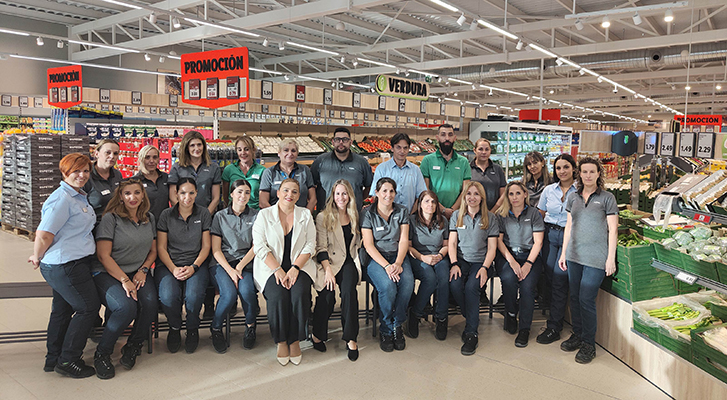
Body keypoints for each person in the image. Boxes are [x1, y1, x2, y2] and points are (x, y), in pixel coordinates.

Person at [29, 153, 100, 378]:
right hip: (65, 264)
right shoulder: (61, 198)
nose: (81, 175)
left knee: (62, 309)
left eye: (86, 171)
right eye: (76, 171)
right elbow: (44, 233)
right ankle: (69, 360)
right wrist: (36, 255)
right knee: (88, 308)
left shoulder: (78, 196)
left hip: (71, 261)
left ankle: (53, 358)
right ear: (64, 172)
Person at [92, 179, 158, 379]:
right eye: (127, 193)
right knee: (125, 307)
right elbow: (104, 256)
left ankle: (133, 346)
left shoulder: (149, 218)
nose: (133, 197)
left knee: (150, 302)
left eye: (137, 193)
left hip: (136, 271)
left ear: (142, 195)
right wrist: (124, 280)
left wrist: (143, 270)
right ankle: (102, 352)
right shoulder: (111, 218)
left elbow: (153, 251)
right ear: (120, 196)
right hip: (107, 272)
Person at [558, 157, 618, 364]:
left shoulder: (608, 198)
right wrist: (563, 253)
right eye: (584, 172)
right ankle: (577, 334)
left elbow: (613, 229)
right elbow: (568, 226)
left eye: (592, 172)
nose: (588, 175)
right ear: (579, 174)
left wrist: (610, 258)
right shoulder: (573, 197)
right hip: (575, 255)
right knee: (574, 297)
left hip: (596, 258)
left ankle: (588, 344)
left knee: (586, 298)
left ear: (599, 174)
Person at [252, 179, 316, 366]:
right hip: (271, 267)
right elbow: (259, 246)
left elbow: (311, 244)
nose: (290, 195)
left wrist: (295, 268)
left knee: (299, 293)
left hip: (300, 265)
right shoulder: (264, 215)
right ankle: (281, 340)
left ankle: (295, 339)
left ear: (299, 196)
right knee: (278, 295)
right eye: (286, 190)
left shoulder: (305, 214)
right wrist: (277, 270)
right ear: (278, 193)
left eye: (294, 192)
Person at [156, 177, 212, 354]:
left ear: (196, 194)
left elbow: (206, 246)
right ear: (176, 194)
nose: (187, 197)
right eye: (182, 193)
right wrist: (173, 269)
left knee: (194, 297)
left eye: (191, 193)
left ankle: (192, 329)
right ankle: (174, 327)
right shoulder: (166, 215)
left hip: (196, 263)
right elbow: (161, 247)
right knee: (168, 297)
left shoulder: (203, 214)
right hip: (169, 264)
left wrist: (194, 267)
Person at [361, 177, 414, 352]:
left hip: (398, 256)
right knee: (388, 286)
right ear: (376, 193)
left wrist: (398, 263)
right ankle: (385, 328)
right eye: (384, 191)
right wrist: (387, 266)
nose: (388, 194)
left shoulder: (402, 211)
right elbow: (368, 245)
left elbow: (404, 239)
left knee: (407, 283)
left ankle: (397, 325)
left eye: (391, 191)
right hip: (377, 259)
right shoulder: (368, 213)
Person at [311, 180, 361, 361]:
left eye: (345, 194)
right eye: (338, 193)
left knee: (349, 293)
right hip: (328, 262)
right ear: (333, 195)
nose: (341, 197)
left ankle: (351, 338)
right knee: (327, 296)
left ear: (350, 196)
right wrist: (328, 271)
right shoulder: (323, 216)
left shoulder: (354, 214)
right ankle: (317, 334)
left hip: (348, 261)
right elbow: (321, 247)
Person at [209, 179, 260, 353]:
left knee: (247, 292)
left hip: (245, 263)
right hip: (222, 264)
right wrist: (231, 270)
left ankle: (251, 326)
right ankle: (216, 328)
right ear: (231, 194)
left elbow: (256, 246)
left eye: (247, 192)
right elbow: (216, 250)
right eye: (239, 191)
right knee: (229, 294)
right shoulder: (220, 216)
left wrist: (239, 267)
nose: (243, 196)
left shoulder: (256, 215)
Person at [448, 181, 498, 356]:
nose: (472, 197)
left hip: (481, 262)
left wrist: (485, 267)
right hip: (461, 260)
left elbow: (492, 248)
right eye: (469, 194)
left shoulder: (490, 218)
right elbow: (452, 243)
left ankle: (471, 333)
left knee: (471, 288)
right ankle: (470, 312)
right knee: (454, 284)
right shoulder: (456, 216)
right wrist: (454, 263)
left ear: (482, 197)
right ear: (464, 196)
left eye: (476, 194)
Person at [495, 181, 545, 348]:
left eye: (518, 193)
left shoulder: (534, 214)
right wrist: (512, 261)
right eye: (511, 194)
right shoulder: (501, 215)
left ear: (525, 194)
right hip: (508, 255)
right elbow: (499, 242)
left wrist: (528, 264)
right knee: (508, 280)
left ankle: (524, 328)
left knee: (527, 287)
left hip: (530, 256)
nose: (514, 197)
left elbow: (538, 242)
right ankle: (510, 313)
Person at [535, 154, 578, 346]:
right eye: (559, 168)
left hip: (571, 237)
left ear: (574, 169)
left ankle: (554, 326)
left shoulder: (580, 191)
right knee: (551, 277)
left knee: (560, 279)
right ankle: (558, 317)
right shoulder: (548, 190)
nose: (562, 171)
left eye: (566, 167)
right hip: (550, 235)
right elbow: (540, 214)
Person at [406, 190, 450, 340]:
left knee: (444, 277)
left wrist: (440, 256)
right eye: (426, 201)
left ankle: (442, 318)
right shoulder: (411, 220)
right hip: (418, 257)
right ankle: (416, 313)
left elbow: (446, 244)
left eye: (433, 202)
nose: (430, 205)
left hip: (439, 256)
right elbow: (408, 246)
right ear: (420, 204)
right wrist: (423, 258)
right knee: (430, 279)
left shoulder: (443, 220)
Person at [311, 127, 373, 212]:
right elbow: (311, 186)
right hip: (326, 214)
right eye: (337, 139)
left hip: (353, 215)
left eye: (345, 140)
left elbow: (369, 186)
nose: (341, 142)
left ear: (350, 142)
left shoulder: (361, 162)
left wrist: (356, 199)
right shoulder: (320, 161)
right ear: (332, 142)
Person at [420, 124, 471, 219]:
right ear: (437, 138)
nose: (447, 138)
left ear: (455, 138)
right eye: (443, 135)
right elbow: (425, 189)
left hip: (457, 213)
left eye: (450, 135)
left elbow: (465, 190)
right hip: (433, 213)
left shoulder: (463, 162)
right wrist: (442, 209)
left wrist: (452, 210)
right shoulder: (427, 160)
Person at [369, 133, 427, 213]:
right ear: (392, 148)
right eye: (398, 147)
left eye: (405, 148)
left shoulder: (415, 170)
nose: (402, 151)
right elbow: (375, 196)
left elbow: (421, 196)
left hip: (409, 216)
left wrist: (411, 215)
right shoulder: (382, 169)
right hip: (387, 218)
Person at [168, 130, 221, 215]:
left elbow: (216, 198)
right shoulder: (177, 168)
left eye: (199, 145)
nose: (197, 148)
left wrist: (205, 216)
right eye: (192, 145)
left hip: (207, 216)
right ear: (186, 148)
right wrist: (184, 215)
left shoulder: (213, 168)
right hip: (183, 218)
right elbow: (173, 197)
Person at [259, 138, 316, 212]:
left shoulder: (305, 170)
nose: (290, 153)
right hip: (275, 219)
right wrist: (276, 217)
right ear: (279, 153)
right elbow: (263, 202)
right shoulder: (269, 172)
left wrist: (305, 216)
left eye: (293, 151)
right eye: (286, 150)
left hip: (300, 219)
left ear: (297, 153)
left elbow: (313, 199)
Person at [84, 139, 122, 225]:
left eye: (115, 153)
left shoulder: (117, 175)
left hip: (116, 225)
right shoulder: (86, 177)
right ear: (96, 153)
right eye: (107, 152)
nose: (112, 156)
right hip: (93, 227)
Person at [222, 136, 266, 210]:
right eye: (239, 150)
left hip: (255, 213)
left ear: (253, 150)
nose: (243, 153)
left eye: (246, 149)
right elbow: (226, 195)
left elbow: (264, 197)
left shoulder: (262, 170)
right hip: (235, 212)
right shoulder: (229, 170)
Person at [133, 144, 170, 221]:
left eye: (155, 157)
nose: (152, 161)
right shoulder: (135, 181)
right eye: (147, 157)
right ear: (141, 159)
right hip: (144, 225)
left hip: (164, 224)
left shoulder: (166, 177)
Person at [469, 138, 506, 212]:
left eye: (487, 149)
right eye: (480, 149)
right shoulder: (468, 168)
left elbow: (503, 194)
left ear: (490, 151)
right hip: (473, 213)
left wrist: (492, 212)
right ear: (474, 150)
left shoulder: (497, 169)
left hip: (495, 213)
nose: (484, 152)